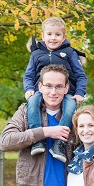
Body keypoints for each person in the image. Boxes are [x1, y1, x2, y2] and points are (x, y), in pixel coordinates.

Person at [23, 16, 88, 163]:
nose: (53, 38)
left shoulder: (69, 52)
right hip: (41, 91)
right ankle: (37, 139)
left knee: (71, 106)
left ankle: (60, 143)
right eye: (49, 34)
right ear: (43, 35)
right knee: (32, 102)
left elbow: (81, 76)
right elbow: (28, 75)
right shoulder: (36, 54)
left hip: (65, 92)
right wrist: (28, 89)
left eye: (57, 35)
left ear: (64, 36)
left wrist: (79, 93)